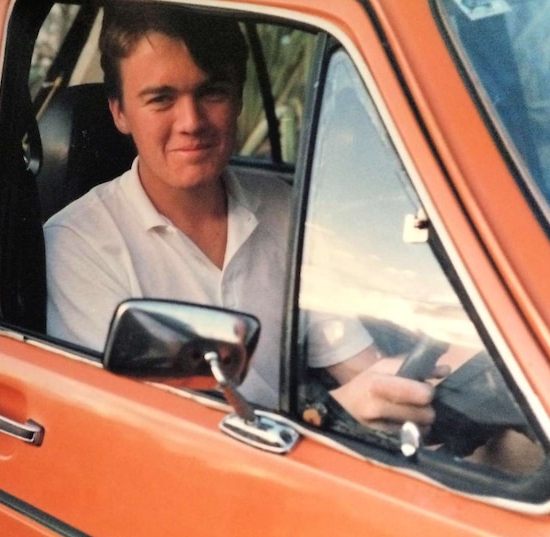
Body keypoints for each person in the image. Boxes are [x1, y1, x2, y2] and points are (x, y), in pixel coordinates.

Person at [43, 2, 440, 435]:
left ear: (237, 98)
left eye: (211, 92)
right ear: (119, 111)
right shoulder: (77, 244)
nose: (191, 122)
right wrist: (327, 416)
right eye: (161, 99)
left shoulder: (284, 208)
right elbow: (145, 431)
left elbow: (356, 364)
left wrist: (440, 370)